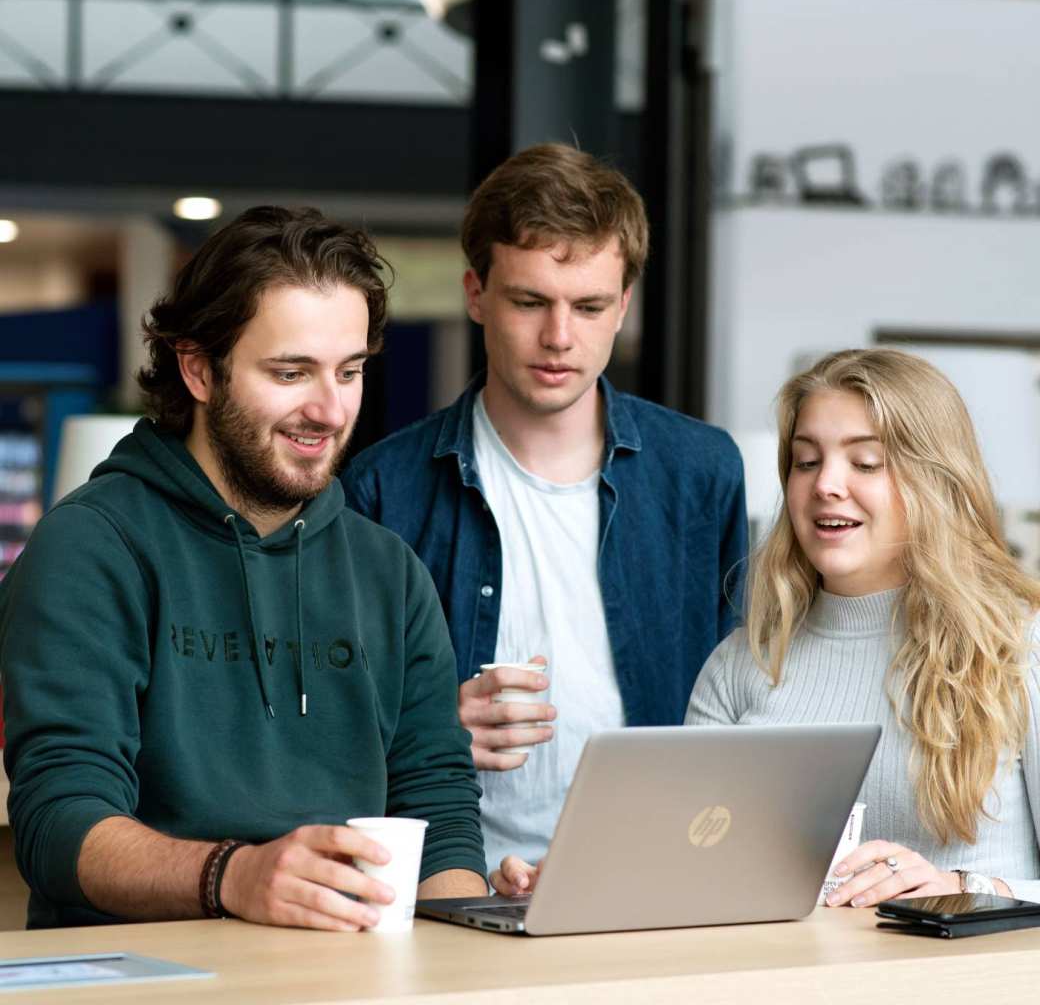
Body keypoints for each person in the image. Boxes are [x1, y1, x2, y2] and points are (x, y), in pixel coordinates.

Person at [0, 206, 486, 930]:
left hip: (347, 980)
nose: (328, 409)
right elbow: (60, 820)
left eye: (349, 371)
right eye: (291, 373)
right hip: (144, 982)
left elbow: (439, 812)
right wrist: (232, 875)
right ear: (198, 368)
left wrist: (478, 941)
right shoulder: (91, 546)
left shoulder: (389, 571)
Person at [497, 347, 1040, 899]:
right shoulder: (741, 665)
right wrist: (578, 884)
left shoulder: (1021, 647)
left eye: (865, 462)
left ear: (936, 482)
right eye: (806, 461)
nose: (826, 483)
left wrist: (962, 888)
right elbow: (688, 877)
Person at [342, 144, 748, 873]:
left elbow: (745, 697)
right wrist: (430, 730)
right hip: (453, 886)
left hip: (662, 876)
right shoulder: (380, 488)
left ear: (623, 305)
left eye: (589, 306)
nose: (560, 337)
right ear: (476, 295)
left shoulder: (701, 470)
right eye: (530, 301)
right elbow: (331, 730)